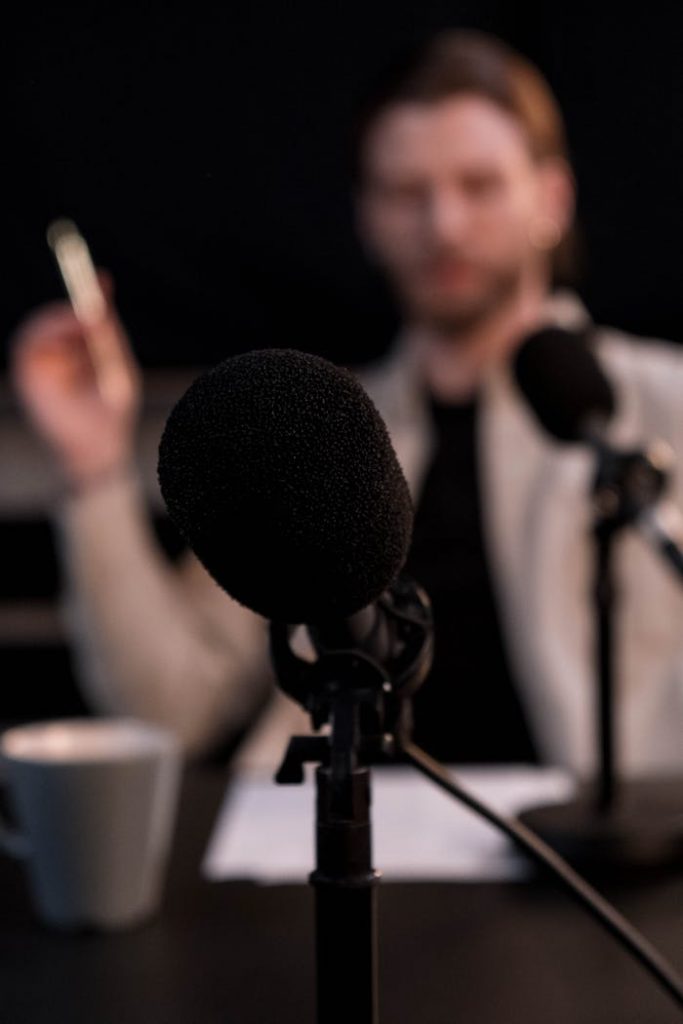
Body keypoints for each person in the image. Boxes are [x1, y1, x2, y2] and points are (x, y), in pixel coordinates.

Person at [10, 30, 683, 775]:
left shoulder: (661, 404)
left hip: (587, 835)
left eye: (480, 185)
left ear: (551, 198)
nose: (444, 225)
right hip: (345, 826)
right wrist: (94, 467)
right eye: (407, 192)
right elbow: (170, 707)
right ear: (366, 216)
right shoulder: (322, 431)